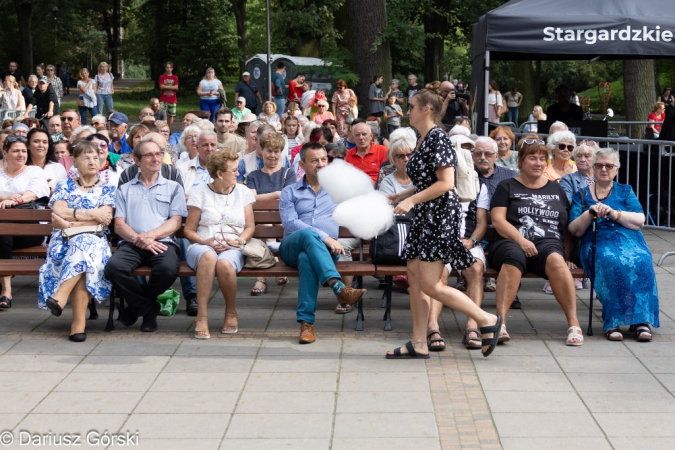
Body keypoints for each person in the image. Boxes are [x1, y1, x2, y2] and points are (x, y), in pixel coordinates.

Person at [385, 89, 502, 359]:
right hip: (426, 215)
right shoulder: (422, 137)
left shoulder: (438, 138)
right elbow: (428, 179)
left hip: (437, 217)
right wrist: (403, 195)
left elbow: (446, 183)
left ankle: (487, 319)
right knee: (414, 279)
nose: (408, 110)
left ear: (426, 109)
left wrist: (412, 201)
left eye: (412, 106)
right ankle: (419, 342)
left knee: (430, 284)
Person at [489, 138, 583, 346]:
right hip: (510, 240)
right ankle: (501, 322)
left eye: (542, 159)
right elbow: (497, 220)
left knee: (557, 261)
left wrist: (566, 255)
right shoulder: (507, 186)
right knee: (512, 257)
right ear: (521, 161)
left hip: (547, 242)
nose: (538, 163)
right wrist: (521, 240)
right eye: (532, 158)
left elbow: (565, 227)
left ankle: (573, 324)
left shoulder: (556, 189)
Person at [279, 142, 367, 344]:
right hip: (291, 247)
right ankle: (337, 286)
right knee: (308, 236)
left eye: (323, 159)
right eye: (314, 160)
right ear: (301, 164)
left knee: (306, 259)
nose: (320, 164)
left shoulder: (337, 191)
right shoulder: (290, 191)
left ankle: (306, 325)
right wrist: (325, 237)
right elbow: (291, 223)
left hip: (325, 253)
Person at [568, 147, 659, 341]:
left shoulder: (625, 191)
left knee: (642, 259)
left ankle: (641, 321)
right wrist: (589, 213)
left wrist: (614, 213)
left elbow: (640, 219)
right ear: (593, 168)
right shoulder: (582, 195)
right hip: (597, 240)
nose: (604, 169)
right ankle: (613, 321)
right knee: (611, 261)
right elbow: (574, 230)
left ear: (616, 169)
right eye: (599, 165)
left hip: (629, 239)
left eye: (609, 166)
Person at [104, 140, 187, 332]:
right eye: (149, 155)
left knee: (167, 269)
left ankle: (136, 308)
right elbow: (119, 224)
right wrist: (138, 239)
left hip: (163, 242)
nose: (155, 159)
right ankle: (149, 308)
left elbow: (175, 222)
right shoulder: (125, 189)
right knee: (113, 268)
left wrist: (149, 237)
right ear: (137, 161)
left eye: (158, 154)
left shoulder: (174, 187)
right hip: (131, 243)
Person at [38, 141, 115, 342]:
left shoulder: (107, 188)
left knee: (83, 247)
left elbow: (106, 217)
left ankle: (60, 299)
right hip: (63, 241)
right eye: (86, 157)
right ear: (75, 162)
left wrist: (71, 217)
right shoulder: (65, 185)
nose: (92, 161)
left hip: (96, 242)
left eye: (95, 157)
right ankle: (77, 325)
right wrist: (91, 213)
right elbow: (57, 212)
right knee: (83, 258)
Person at [183, 149, 255, 338]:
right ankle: (202, 316)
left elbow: (249, 227)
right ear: (220, 174)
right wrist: (205, 241)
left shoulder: (243, 192)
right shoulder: (200, 193)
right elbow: (189, 230)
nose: (238, 174)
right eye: (234, 171)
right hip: (202, 244)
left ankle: (231, 312)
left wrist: (238, 241)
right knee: (208, 256)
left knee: (224, 263)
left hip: (233, 245)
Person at [0, 135, 50, 309]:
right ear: (5, 153)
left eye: (23, 150)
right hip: (3, 232)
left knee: (3, 235)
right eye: (15, 151)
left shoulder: (34, 171)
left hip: (29, 231)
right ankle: (6, 290)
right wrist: (5, 197)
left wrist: (16, 201)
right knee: (3, 237)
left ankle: (6, 290)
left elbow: (35, 192)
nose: (20, 154)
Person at [246, 133, 295, 295]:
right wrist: (275, 194)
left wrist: (265, 198)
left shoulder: (288, 173)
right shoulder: (253, 176)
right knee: (264, 224)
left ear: (281, 153)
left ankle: (261, 278)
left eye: (276, 151)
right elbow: (252, 198)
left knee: (270, 224)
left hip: (283, 219)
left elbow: (288, 197)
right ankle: (273, 265)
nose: (272, 155)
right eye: (269, 151)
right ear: (262, 152)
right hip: (260, 220)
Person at [27, 128, 67, 193]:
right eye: (36, 141)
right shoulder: (20, 167)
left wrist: (50, 191)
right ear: (28, 145)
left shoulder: (57, 167)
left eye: (45, 142)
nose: (41, 145)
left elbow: (64, 194)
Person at [159, 61, 179, 128]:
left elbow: (176, 87)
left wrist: (165, 86)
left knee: (171, 115)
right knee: (162, 114)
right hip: (163, 99)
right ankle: (162, 127)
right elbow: (161, 87)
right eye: (167, 67)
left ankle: (169, 128)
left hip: (172, 99)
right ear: (165, 68)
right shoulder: (162, 77)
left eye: (170, 67)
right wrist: (172, 87)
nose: (168, 69)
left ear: (172, 68)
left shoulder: (175, 77)